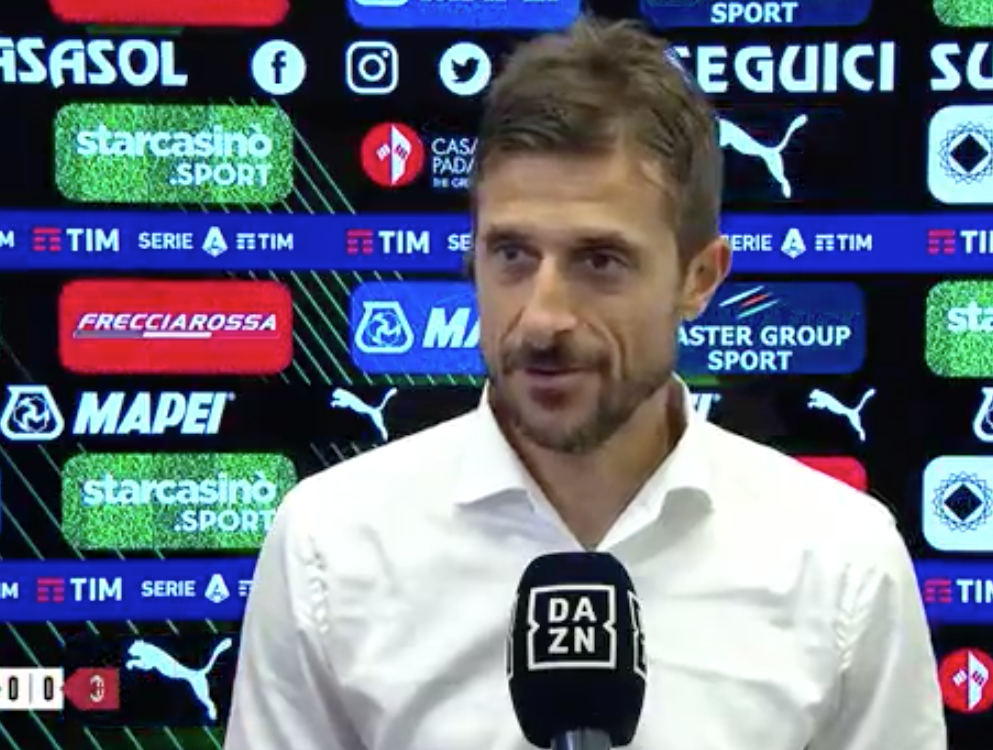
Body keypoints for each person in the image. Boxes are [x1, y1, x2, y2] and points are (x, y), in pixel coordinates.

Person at [223, 15, 947, 750]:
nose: (544, 318)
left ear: (700, 278)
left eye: (600, 261)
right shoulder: (328, 546)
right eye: (512, 254)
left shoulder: (843, 561)